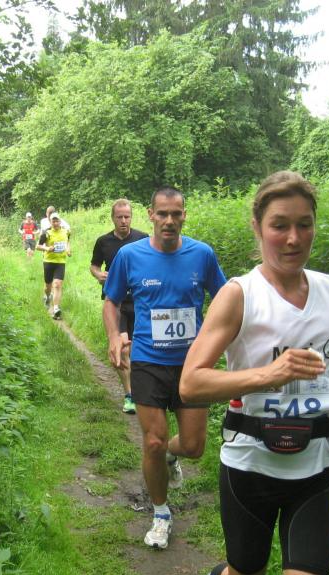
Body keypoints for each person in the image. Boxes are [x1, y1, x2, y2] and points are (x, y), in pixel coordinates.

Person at [178, 171, 329, 575]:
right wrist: (270, 374)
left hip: (317, 465)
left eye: (304, 224)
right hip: (251, 466)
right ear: (257, 227)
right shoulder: (240, 295)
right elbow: (191, 383)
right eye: (280, 225)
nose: (293, 238)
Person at [103, 187, 227, 550]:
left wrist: (220, 340)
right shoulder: (130, 255)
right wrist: (114, 336)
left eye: (176, 214)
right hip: (147, 361)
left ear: (184, 215)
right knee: (153, 441)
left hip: (193, 364)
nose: (169, 220)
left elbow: (225, 299)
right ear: (151, 214)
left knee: (194, 446)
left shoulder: (202, 254)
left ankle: (173, 455)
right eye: (162, 214)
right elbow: (111, 300)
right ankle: (160, 513)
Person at [90, 198, 149, 415]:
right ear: (112, 218)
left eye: (127, 216)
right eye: (119, 217)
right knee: (123, 348)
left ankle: (142, 391)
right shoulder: (103, 242)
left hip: (140, 303)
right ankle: (130, 395)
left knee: (137, 350)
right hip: (115, 303)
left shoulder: (143, 239)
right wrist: (99, 275)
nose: (123, 221)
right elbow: (94, 266)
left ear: (131, 217)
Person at [37, 212, 71, 319]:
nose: (55, 223)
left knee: (57, 284)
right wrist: (47, 248)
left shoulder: (66, 231)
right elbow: (38, 246)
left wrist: (68, 249)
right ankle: (47, 296)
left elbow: (68, 241)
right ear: (50, 222)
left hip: (60, 262)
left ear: (60, 221)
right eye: (53, 221)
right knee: (48, 286)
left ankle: (56, 308)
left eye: (57, 221)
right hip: (48, 262)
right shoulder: (46, 233)